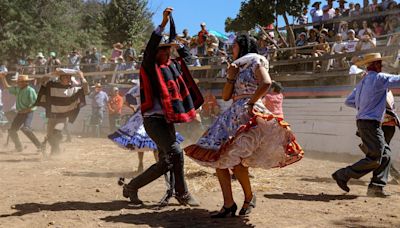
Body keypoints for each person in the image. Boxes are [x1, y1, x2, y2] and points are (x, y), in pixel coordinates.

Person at [185, 34, 303, 217]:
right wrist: (231, 78)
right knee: (220, 161)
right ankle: (229, 204)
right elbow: (225, 96)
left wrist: (251, 103)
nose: (232, 49)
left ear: (242, 46)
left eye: (234, 46)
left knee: (235, 160)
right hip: (234, 114)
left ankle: (247, 198)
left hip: (248, 113)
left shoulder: (256, 59)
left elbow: (266, 83)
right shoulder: (236, 67)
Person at [121, 7, 203, 206]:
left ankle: (131, 187)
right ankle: (182, 194)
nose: (167, 52)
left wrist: (179, 44)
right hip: (153, 121)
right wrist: (163, 24)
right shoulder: (150, 66)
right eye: (164, 49)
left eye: (169, 49)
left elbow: (189, 60)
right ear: (157, 52)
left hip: (166, 120)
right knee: (176, 152)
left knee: (167, 161)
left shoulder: (172, 66)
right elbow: (150, 48)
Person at [108, 79, 185, 206]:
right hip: (149, 116)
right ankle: (144, 176)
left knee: (144, 146)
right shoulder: (147, 85)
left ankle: (143, 171)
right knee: (157, 148)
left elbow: (127, 99)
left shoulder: (140, 86)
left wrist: (134, 107)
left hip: (148, 116)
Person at [332, 53, 399, 197]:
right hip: (371, 123)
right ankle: (343, 174)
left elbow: (349, 101)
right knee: (376, 156)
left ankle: (376, 187)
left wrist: (364, 106)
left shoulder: (362, 83)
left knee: (385, 155)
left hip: (363, 122)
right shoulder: (379, 78)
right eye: (380, 63)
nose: (381, 65)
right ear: (375, 65)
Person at [35, 68, 89, 155]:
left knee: (56, 132)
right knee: (50, 137)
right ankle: (56, 150)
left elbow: (86, 91)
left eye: (69, 77)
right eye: (65, 77)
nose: (68, 79)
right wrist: (53, 73)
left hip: (63, 118)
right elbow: (42, 80)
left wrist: (82, 77)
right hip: (52, 117)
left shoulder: (74, 89)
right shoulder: (52, 85)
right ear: (60, 78)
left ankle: (55, 152)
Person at [0, 74, 42, 152]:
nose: (20, 83)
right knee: (12, 131)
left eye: (22, 82)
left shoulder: (30, 90)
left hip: (28, 112)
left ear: (27, 82)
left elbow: (36, 102)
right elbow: (7, 87)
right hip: (20, 113)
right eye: (19, 82)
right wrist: (3, 78)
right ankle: (19, 147)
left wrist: (27, 110)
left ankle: (40, 146)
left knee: (25, 128)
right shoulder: (18, 89)